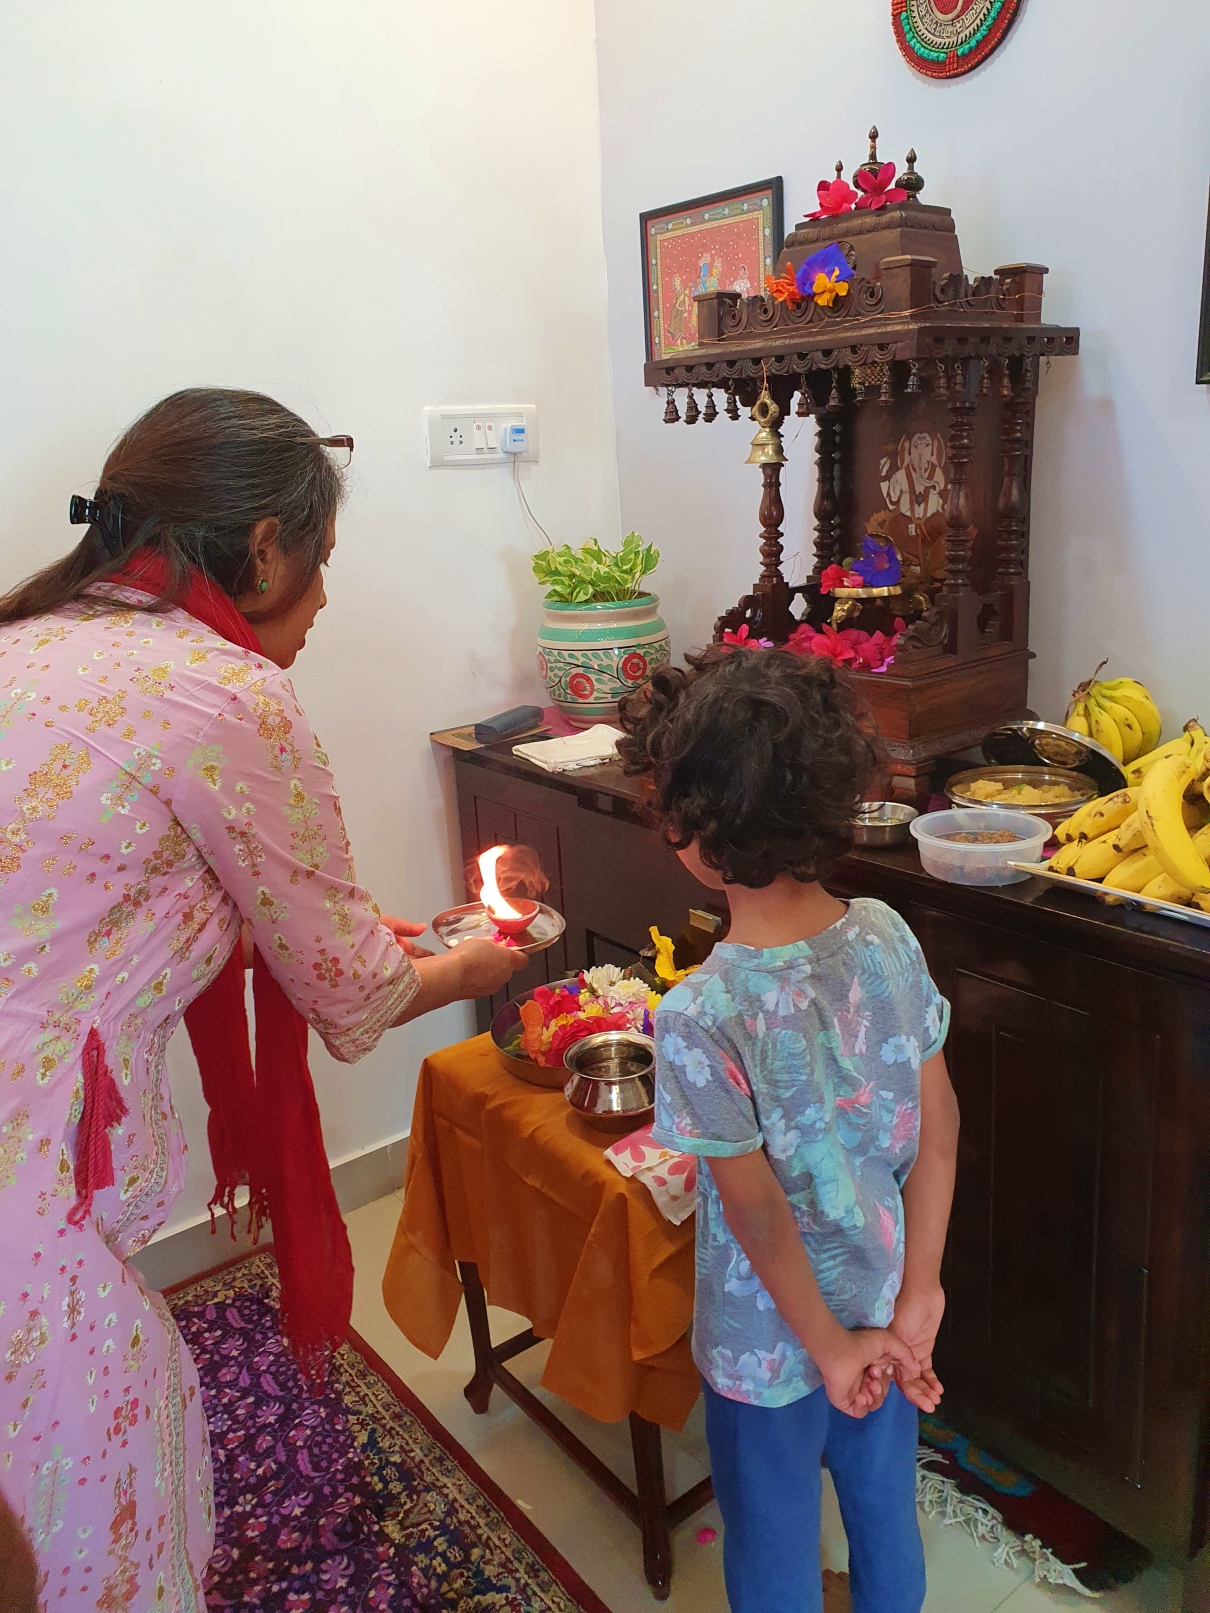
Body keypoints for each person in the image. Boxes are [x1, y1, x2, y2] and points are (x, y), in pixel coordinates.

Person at [0, 388, 528, 1608]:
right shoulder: (226, 692)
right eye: (324, 559)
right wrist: (466, 966)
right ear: (267, 547)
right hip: (27, 1183)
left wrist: (360, 930)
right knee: (102, 1516)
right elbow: (347, 986)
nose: (328, 599)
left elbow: (117, 888)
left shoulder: (28, 637)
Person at [618, 648, 960, 1613]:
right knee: (885, 1508)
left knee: (771, 1545)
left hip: (772, 1344)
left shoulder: (702, 1010)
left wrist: (828, 1347)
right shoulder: (888, 932)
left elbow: (758, 1213)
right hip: (887, 1305)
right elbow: (940, 1130)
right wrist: (919, 1292)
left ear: (688, 829)